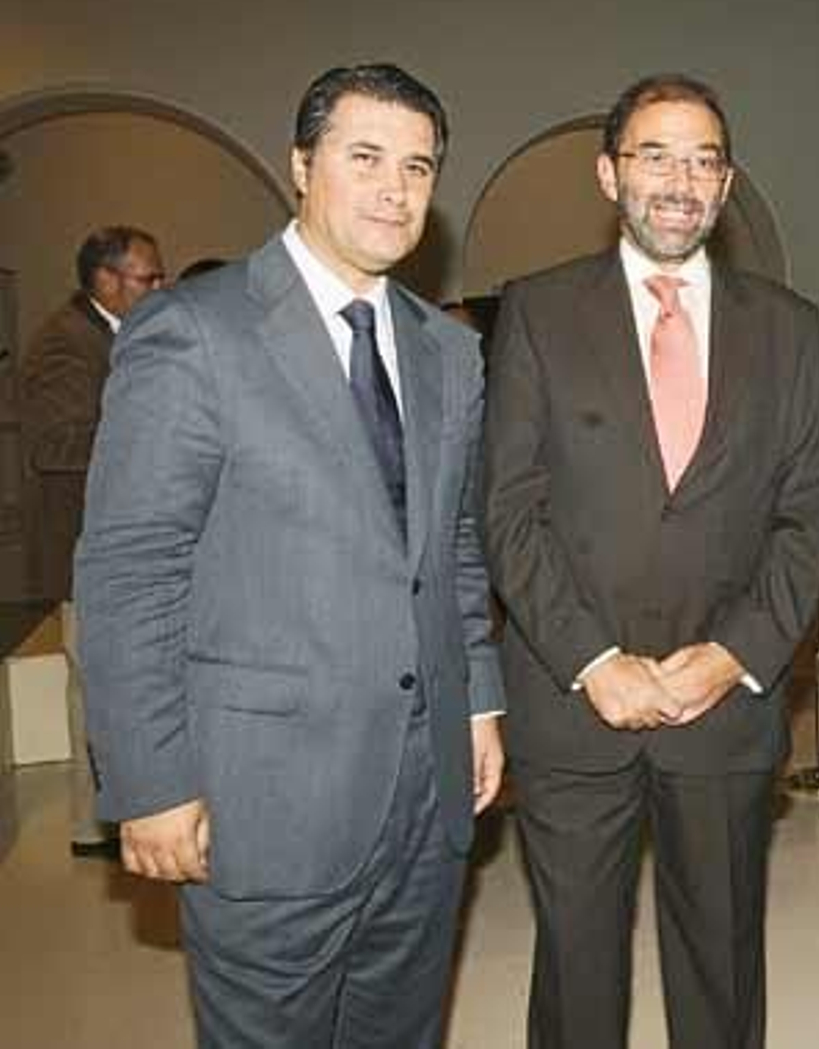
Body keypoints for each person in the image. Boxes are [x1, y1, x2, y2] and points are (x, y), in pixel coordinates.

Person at [75, 64, 505, 1047]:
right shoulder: (194, 331)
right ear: (302, 166)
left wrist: (478, 697)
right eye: (366, 158)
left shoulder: (449, 352)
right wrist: (150, 782)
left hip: (426, 792)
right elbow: (131, 572)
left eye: (417, 167)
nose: (394, 189)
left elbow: (454, 544)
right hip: (265, 799)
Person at [483, 73, 819, 1049]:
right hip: (573, 704)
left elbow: (807, 516)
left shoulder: (790, 326)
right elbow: (508, 511)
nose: (680, 182)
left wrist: (732, 656)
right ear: (609, 174)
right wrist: (593, 662)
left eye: (703, 160)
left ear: (726, 184)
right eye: (655, 156)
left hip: (723, 709)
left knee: (721, 964)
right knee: (577, 971)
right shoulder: (538, 312)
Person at [18, 224, 164, 857]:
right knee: (95, 692)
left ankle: (106, 818)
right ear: (106, 280)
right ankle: (93, 826)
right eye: (148, 278)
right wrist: (149, 433)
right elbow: (54, 446)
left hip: (112, 547)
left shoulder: (110, 333)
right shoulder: (64, 343)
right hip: (85, 550)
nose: (160, 287)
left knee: (109, 689)